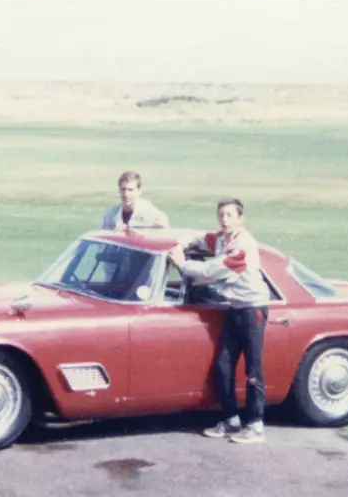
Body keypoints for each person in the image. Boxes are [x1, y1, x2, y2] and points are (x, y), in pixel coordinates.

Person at [167, 197, 271, 444]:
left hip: (252, 309)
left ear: (240, 219)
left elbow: (212, 270)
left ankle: (256, 425)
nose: (224, 220)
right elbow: (200, 237)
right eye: (221, 215)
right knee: (224, 366)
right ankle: (231, 419)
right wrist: (181, 243)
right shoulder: (222, 239)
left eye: (229, 215)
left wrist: (182, 264)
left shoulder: (243, 246)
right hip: (234, 307)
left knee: (253, 369)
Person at [101, 171, 170, 230]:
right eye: (123, 189)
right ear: (119, 190)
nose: (126, 194)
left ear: (139, 191)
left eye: (130, 190)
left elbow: (165, 232)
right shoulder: (110, 214)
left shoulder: (150, 214)